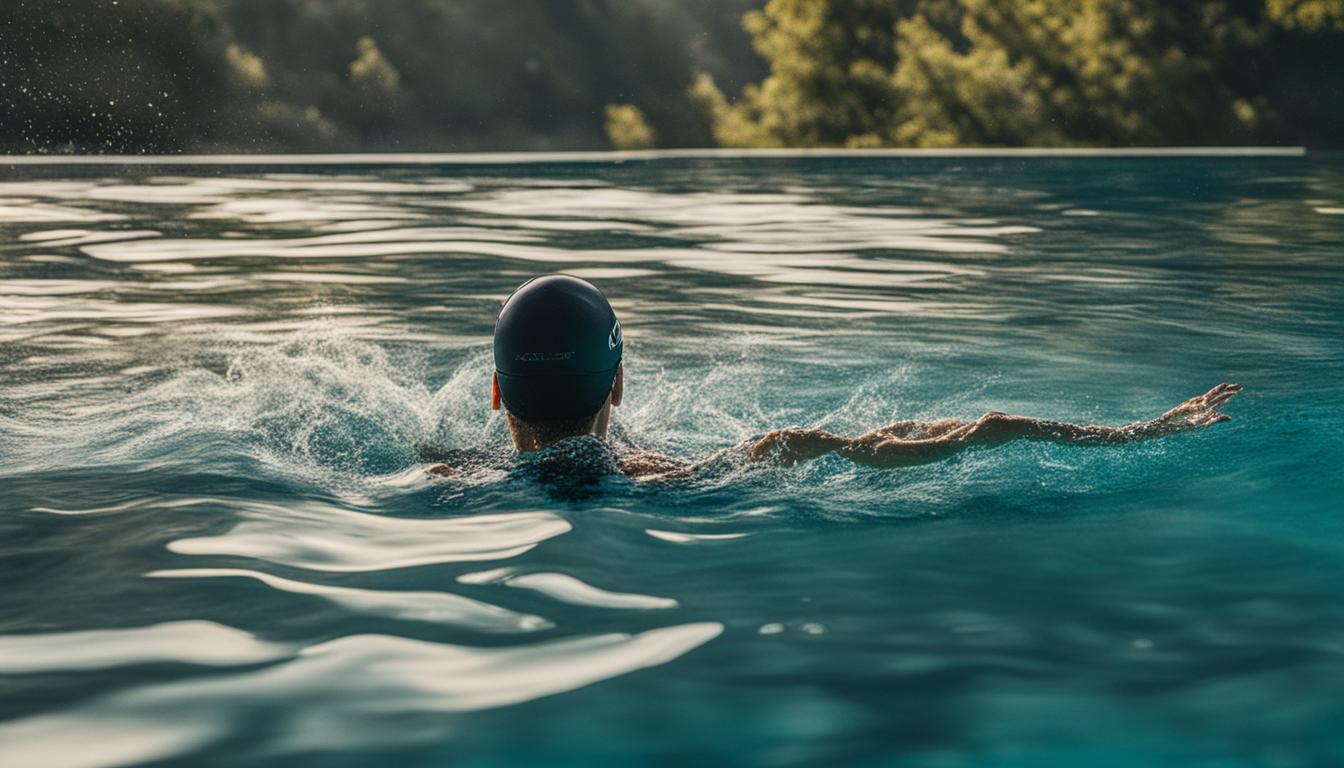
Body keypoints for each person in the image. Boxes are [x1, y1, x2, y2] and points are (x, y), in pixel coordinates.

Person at [428, 274, 1240, 481]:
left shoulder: (445, 473)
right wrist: (1140, 430)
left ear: (495, 390)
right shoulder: (666, 478)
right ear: (619, 388)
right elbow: (961, 433)